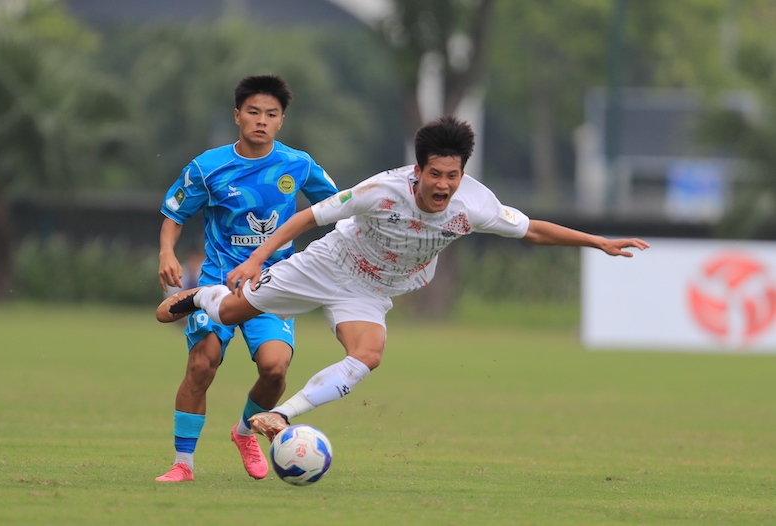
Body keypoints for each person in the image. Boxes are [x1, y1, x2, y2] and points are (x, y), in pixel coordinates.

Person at [156, 115, 650, 442]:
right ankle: (204, 293)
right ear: (418, 170)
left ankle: (282, 415)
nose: (443, 185)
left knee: (367, 355)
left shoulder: (474, 203)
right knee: (229, 312)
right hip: (330, 262)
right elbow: (308, 218)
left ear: (462, 174)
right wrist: (258, 260)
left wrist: (598, 242)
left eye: (452, 176)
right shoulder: (379, 191)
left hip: (372, 289)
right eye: (435, 174)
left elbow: (534, 231)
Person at [155, 75, 339, 482]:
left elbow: (339, 207)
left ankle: (244, 433)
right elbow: (174, 213)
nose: (261, 120)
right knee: (203, 363)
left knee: (275, 369)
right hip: (217, 285)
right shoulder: (208, 167)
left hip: (274, 285)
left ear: (281, 121)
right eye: (253, 112)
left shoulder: (298, 165)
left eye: (271, 114)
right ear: (237, 116)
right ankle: (183, 464)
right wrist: (167, 251)